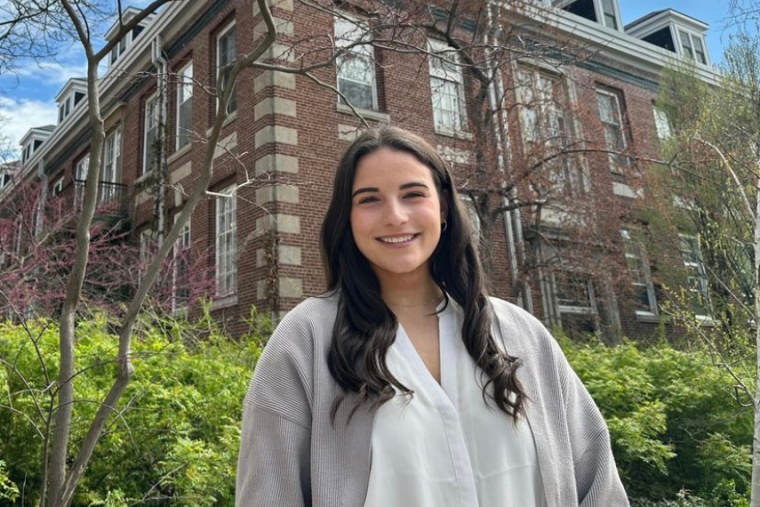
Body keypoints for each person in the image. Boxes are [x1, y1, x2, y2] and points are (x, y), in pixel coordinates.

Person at [235, 126, 629, 507]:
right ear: (347, 217)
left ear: (442, 207)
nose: (395, 216)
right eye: (369, 199)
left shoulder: (522, 336)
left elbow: (597, 486)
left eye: (413, 194)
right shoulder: (306, 342)